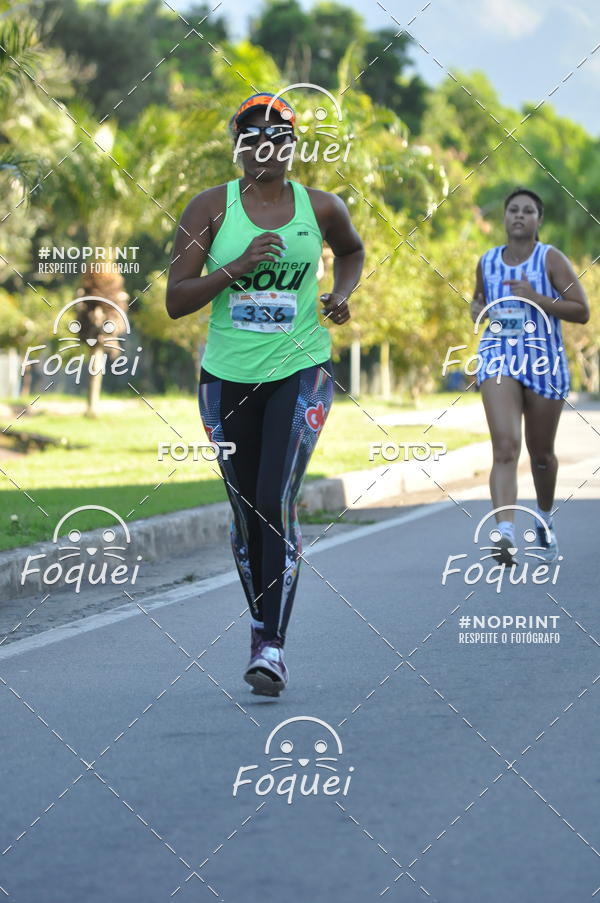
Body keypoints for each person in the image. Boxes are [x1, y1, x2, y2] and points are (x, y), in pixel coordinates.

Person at [166, 92, 364, 695]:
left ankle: (271, 646)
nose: (266, 149)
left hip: (302, 370)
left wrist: (339, 293)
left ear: (292, 147)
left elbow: (352, 251)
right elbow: (177, 300)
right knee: (246, 509)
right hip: (226, 378)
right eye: (253, 139)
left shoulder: (321, 207)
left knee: (275, 497)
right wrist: (239, 267)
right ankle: (261, 624)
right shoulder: (210, 209)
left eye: (278, 139)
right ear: (238, 146)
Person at [471, 187, 589, 565]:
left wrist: (538, 298)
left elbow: (581, 310)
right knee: (505, 447)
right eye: (513, 210)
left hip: (543, 361)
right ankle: (504, 532)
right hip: (498, 356)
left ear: (538, 221)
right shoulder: (487, 261)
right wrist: (476, 307)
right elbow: (479, 301)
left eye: (528, 211)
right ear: (504, 219)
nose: (519, 216)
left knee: (541, 455)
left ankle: (544, 516)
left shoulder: (550, 259)